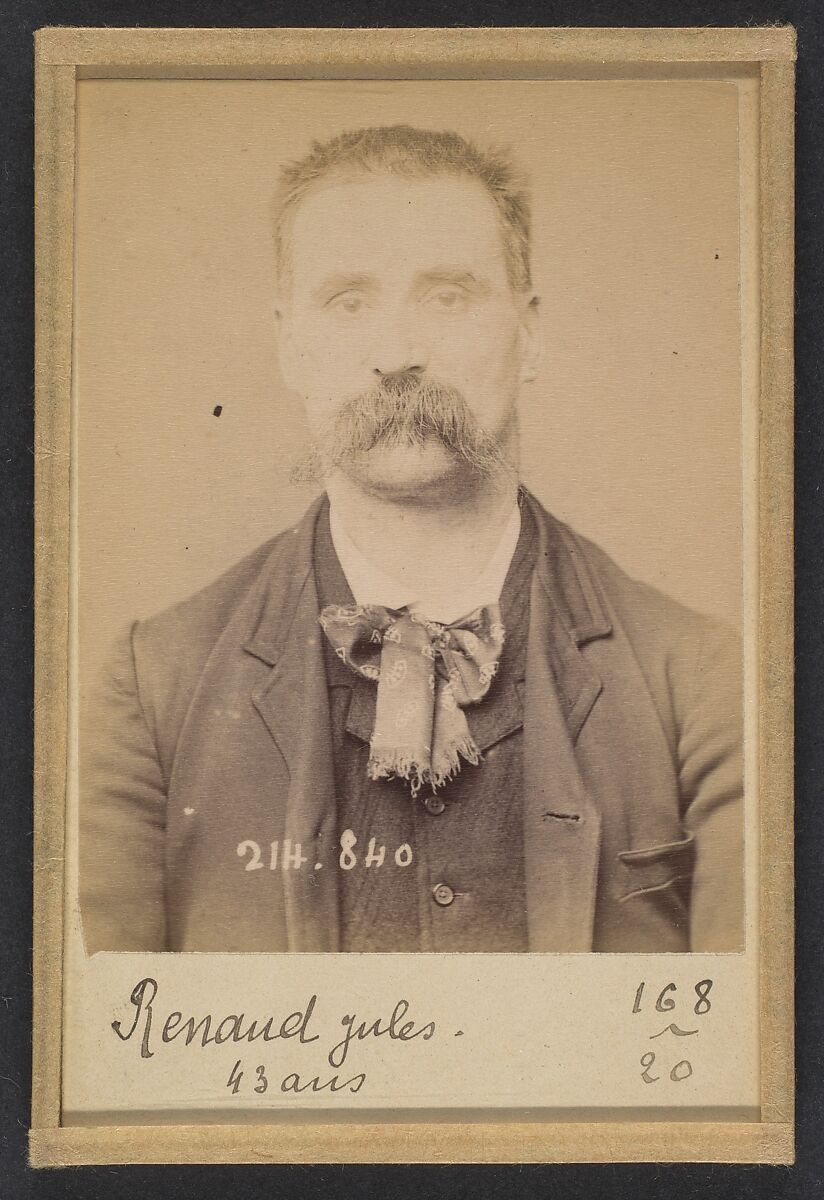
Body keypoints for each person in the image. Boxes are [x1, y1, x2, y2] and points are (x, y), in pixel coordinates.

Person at [80, 125, 743, 954]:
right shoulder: (154, 686)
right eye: (350, 301)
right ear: (290, 342)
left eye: (449, 295)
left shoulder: (703, 681)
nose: (396, 354)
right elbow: (102, 1060)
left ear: (530, 333)